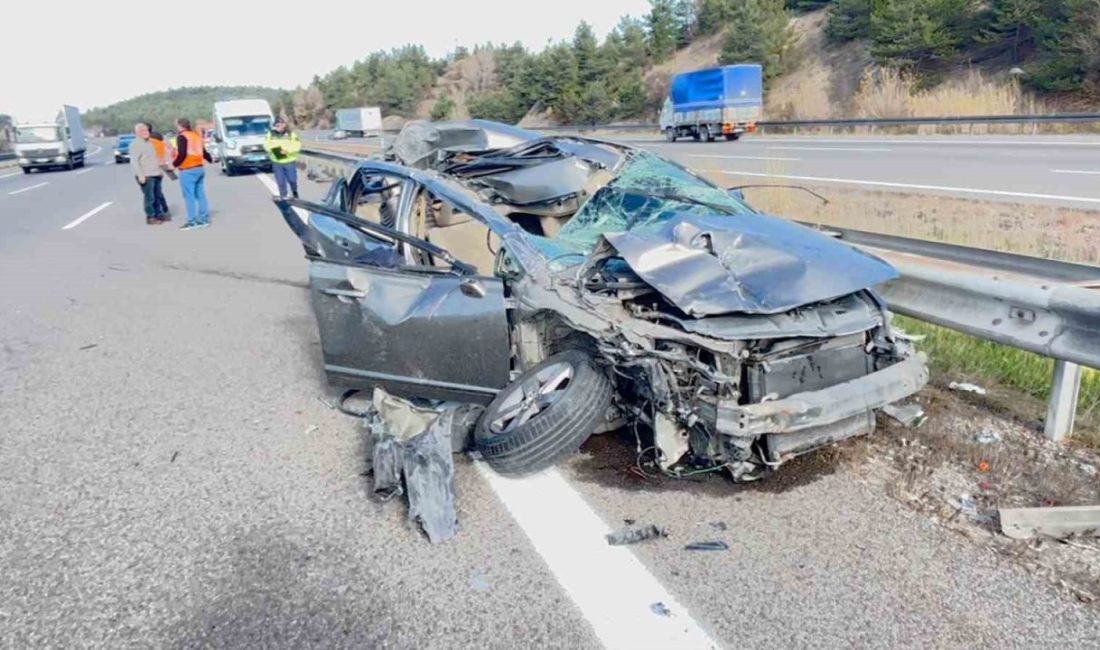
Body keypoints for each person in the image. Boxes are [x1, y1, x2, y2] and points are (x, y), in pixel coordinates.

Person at [172, 118, 213, 231]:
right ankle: (204, 219)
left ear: (179, 126)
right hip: (199, 168)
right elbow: (204, 152)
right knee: (201, 195)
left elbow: (182, 154)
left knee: (189, 196)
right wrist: (210, 159)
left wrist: (174, 165)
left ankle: (192, 221)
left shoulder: (182, 137)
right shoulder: (196, 136)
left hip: (187, 169)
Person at [128, 122, 166, 225]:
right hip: (146, 175)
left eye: (146, 130)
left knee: (158, 196)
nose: (146, 132)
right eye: (142, 131)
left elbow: (156, 158)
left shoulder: (150, 143)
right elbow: (135, 161)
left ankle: (159, 214)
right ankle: (151, 217)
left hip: (156, 173)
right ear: (137, 133)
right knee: (150, 198)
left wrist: (161, 170)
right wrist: (140, 175)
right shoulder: (135, 144)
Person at [263, 117, 301, 199]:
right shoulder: (270, 134)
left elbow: (297, 146)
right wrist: (274, 150)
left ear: (284, 125)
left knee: (292, 180)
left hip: (289, 161)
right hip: (277, 162)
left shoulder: (291, 134)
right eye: (276, 126)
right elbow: (266, 145)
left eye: (279, 125)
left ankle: (294, 191)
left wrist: (287, 151)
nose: (278, 127)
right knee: (280, 182)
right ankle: (283, 196)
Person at [148, 129, 173, 220]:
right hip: (157, 171)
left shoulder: (155, 146)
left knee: (155, 193)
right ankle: (163, 210)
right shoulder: (162, 146)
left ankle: (161, 211)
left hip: (154, 172)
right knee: (157, 192)